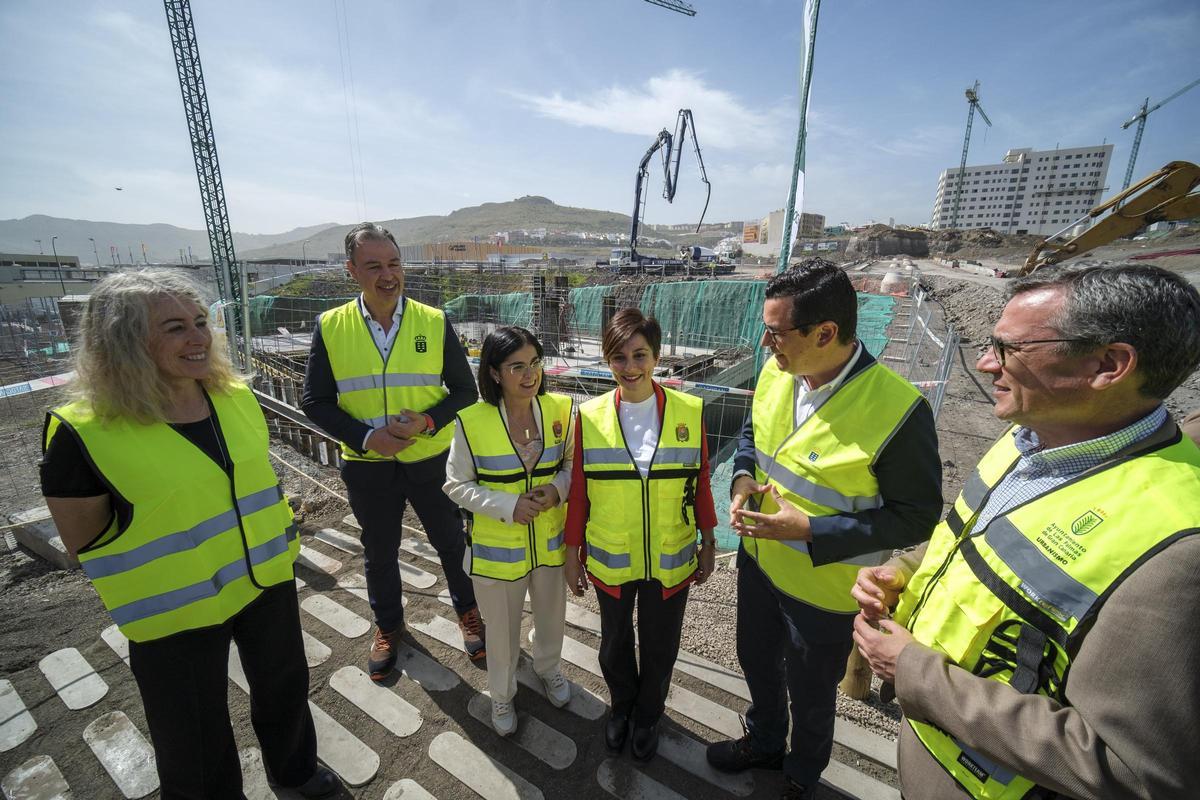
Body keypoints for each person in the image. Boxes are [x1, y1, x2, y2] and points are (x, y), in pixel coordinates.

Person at [853, 263, 1200, 800]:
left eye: (1009, 349)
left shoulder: (1176, 549)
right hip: (931, 755)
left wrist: (915, 674)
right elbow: (973, 537)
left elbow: (1131, 772)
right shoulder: (1030, 438)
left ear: (1109, 364)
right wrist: (905, 568)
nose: (987, 363)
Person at [40, 270, 337, 799]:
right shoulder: (84, 432)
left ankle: (294, 770)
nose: (198, 337)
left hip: (265, 577)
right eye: (175, 327)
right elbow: (83, 539)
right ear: (124, 342)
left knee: (284, 688)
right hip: (173, 609)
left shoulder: (235, 397)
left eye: (201, 322)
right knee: (192, 732)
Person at [705, 259, 942, 800]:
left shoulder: (899, 411)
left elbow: (916, 515)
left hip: (824, 591)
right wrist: (742, 480)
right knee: (756, 663)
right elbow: (752, 434)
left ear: (827, 332)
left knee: (812, 693)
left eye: (776, 332)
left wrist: (809, 528)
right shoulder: (778, 372)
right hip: (758, 565)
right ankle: (764, 740)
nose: (767, 345)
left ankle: (801, 774)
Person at [301, 222, 483, 678]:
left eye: (395, 263)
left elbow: (465, 391)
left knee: (451, 542)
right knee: (379, 551)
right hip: (368, 467)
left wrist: (426, 421)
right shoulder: (331, 326)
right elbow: (314, 401)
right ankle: (387, 626)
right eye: (374, 265)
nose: (388, 275)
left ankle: (469, 611)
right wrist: (366, 437)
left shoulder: (434, 321)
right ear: (352, 271)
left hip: (431, 462)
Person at [564, 308, 718, 762]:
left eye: (639, 355)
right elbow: (578, 493)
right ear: (607, 360)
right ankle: (621, 707)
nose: (630, 368)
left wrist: (709, 541)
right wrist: (573, 554)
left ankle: (648, 715)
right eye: (618, 357)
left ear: (656, 356)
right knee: (613, 643)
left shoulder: (689, 410)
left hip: (671, 553)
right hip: (613, 553)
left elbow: (702, 480)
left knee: (660, 642)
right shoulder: (588, 416)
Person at [444, 326, 574, 735]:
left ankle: (548, 667)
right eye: (517, 366)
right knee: (501, 630)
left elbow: (574, 466)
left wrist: (557, 490)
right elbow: (455, 484)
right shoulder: (471, 422)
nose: (529, 374)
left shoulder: (561, 411)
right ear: (495, 373)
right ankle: (501, 695)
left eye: (534, 363)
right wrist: (507, 506)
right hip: (497, 552)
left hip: (550, 544)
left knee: (552, 616)